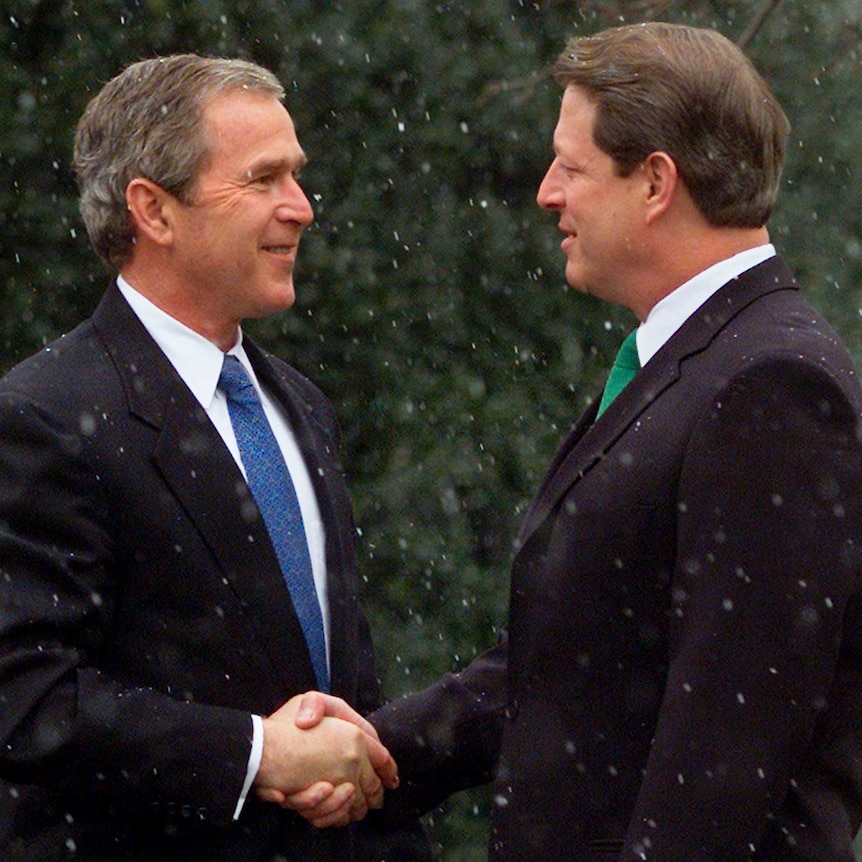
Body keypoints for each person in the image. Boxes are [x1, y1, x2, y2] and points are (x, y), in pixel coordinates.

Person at [292, 22, 862, 861]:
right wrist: (380, 755)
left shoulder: (771, 383)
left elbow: (731, 738)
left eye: (571, 165)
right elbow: (572, 658)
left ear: (656, 182)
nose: (546, 192)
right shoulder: (691, 358)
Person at [0, 54, 429, 862]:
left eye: (296, 176)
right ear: (153, 211)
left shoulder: (300, 406)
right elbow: (24, 696)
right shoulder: (41, 417)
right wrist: (256, 754)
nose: (300, 208)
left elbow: (339, 687)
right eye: (263, 179)